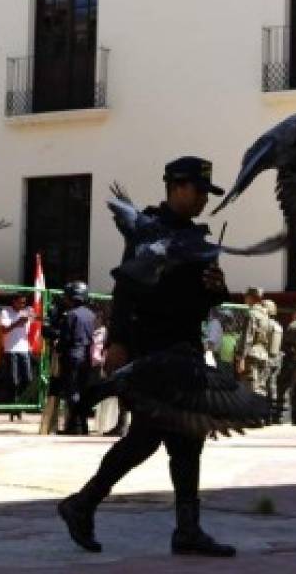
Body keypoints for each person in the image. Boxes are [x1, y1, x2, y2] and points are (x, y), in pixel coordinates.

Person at [59, 155, 237, 558]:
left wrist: (217, 287)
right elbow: (126, 289)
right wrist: (119, 342)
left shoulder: (197, 238)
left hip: (185, 350)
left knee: (186, 439)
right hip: (151, 350)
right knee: (148, 436)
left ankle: (185, 529)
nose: (203, 202)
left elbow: (203, 300)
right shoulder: (148, 232)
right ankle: (83, 504)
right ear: (178, 187)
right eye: (199, 192)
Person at [55, 281, 96, 436]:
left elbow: (65, 338)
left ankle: (76, 426)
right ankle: (83, 425)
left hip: (72, 355)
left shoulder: (71, 315)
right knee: (82, 390)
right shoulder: (91, 314)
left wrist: (58, 347)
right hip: (87, 355)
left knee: (72, 391)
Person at [0, 292, 34, 419]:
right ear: (13, 301)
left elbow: (38, 320)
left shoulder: (28, 310)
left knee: (28, 379)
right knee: (13, 381)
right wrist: (17, 322)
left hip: (24, 349)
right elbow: (4, 330)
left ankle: (20, 404)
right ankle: (13, 407)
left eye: (24, 302)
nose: (22, 305)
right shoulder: (6, 311)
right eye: (20, 302)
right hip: (11, 350)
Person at [235, 286, 271, 398]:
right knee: (260, 388)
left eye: (246, 297)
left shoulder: (251, 315)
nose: (245, 299)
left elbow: (247, 338)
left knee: (248, 389)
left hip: (251, 356)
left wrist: (241, 358)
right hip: (263, 355)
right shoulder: (266, 316)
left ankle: (251, 414)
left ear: (251, 298)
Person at [262, 299, 283, 424]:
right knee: (272, 387)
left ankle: (263, 415)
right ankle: (271, 415)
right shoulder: (278, 325)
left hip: (266, 358)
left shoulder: (266, 324)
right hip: (276, 359)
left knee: (261, 387)